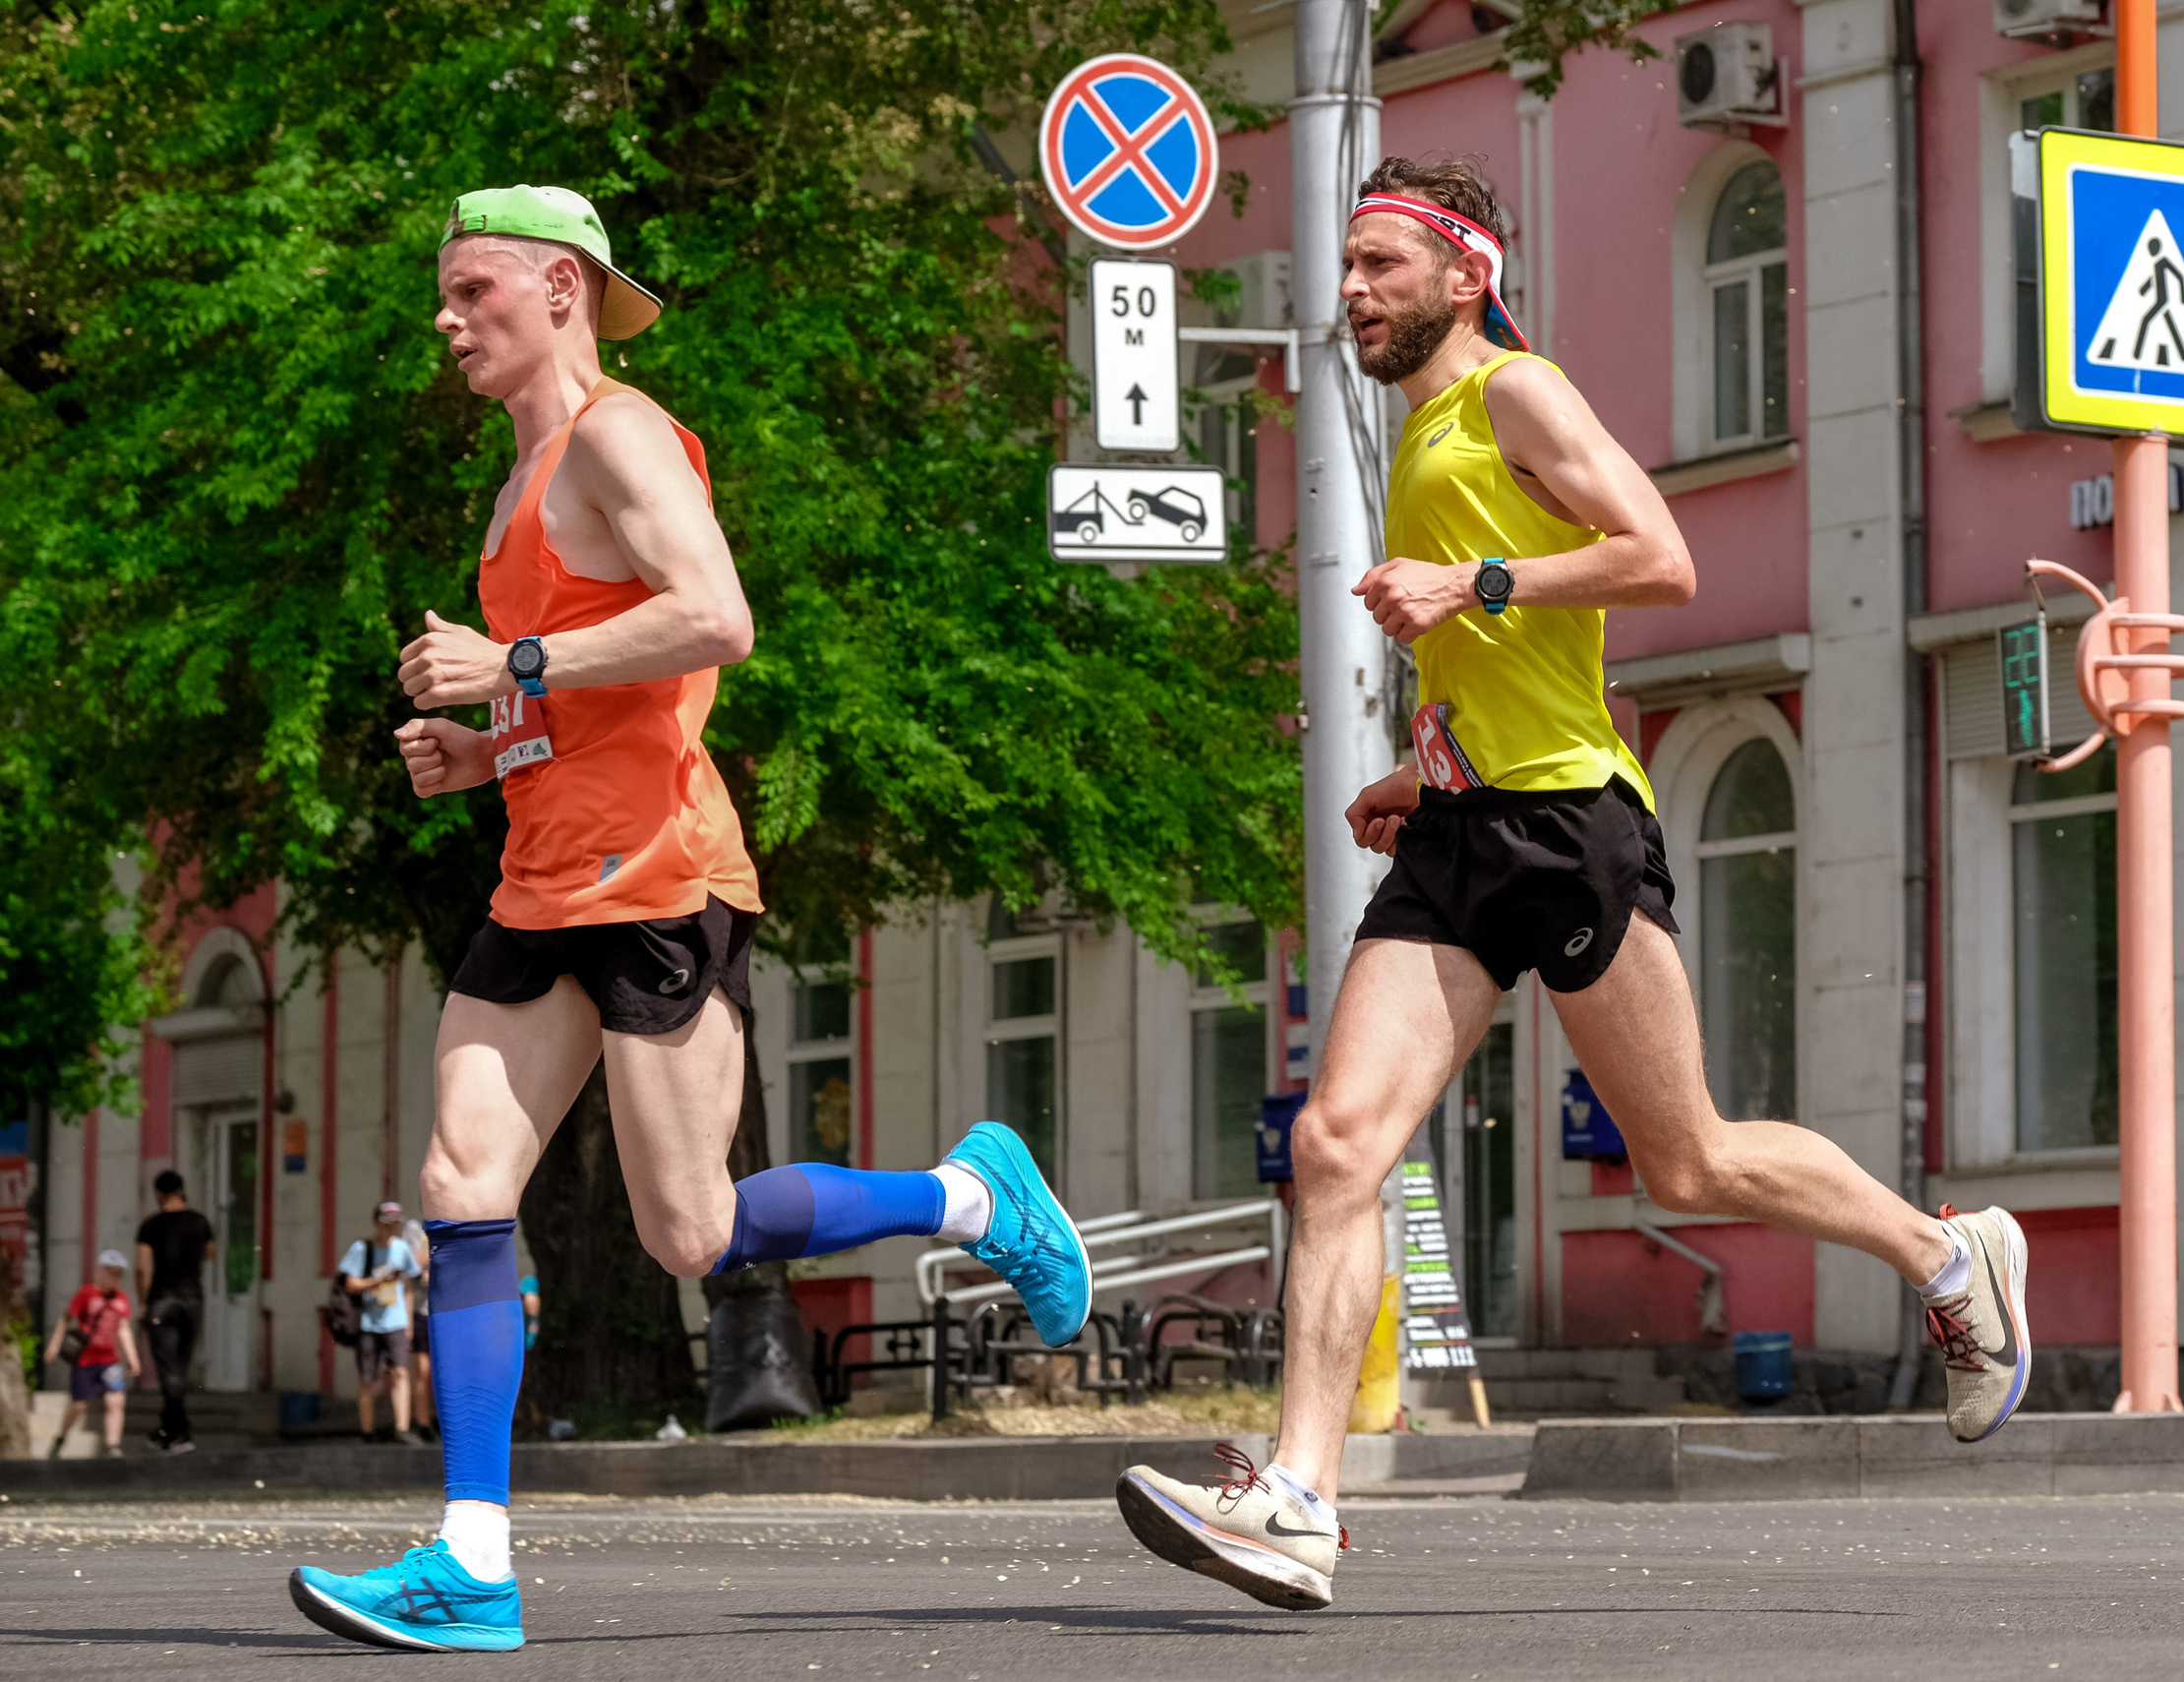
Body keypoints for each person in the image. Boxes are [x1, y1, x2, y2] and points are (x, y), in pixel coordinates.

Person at [1116, 157, 2032, 1611]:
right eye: (1346, 266)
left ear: (1464, 275)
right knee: (1338, 1144)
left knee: (1689, 1161)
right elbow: (1504, 670)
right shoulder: (1422, 426)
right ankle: (1297, 1496)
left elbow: (1662, 559)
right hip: (1457, 830)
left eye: (1378, 265)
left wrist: (1471, 580)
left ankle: (1945, 1253)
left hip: (1570, 828)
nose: (1350, 291)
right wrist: (1423, 768)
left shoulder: (1517, 395)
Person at [286, 184, 1090, 1654]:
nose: (447, 320)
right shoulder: (519, 478)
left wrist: (509, 664)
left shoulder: (621, 435)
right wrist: (488, 746)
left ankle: (973, 1200)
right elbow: (604, 692)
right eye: (444, 296)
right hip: (541, 877)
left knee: (689, 1230)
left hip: (658, 875)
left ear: (560, 289)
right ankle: (471, 1560)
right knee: (464, 1181)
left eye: (472, 290)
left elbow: (716, 617)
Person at [134, 1169, 217, 1454]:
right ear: (182, 1191)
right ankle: (168, 1429)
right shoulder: (200, 1222)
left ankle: (179, 1431)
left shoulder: (151, 1226)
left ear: (158, 1194)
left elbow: (141, 1268)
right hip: (192, 1300)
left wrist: (144, 1302)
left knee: (169, 1370)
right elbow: (210, 1253)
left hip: (162, 1300)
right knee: (179, 1367)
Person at [43, 1251, 143, 1460]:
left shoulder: (121, 1298)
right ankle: (61, 1438)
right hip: (85, 1360)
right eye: (112, 1272)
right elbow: (65, 1319)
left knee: (116, 1401)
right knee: (78, 1406)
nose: (116, 1278)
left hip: (110, 1361)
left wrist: (133, 1358)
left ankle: (112, 1446)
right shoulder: (86, 1293)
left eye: (119, 1274)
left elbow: (124, 1329)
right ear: (100, 1271)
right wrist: (54, 1345)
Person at [342, 1201, 425, 1446]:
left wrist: (408, 1322)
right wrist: (377, 1281)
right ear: (376, 1223)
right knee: (368, 1379)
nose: (392, 1228)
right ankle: (367, 1432)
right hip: (368, 1323)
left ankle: (402, 1428)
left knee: (401, 1372)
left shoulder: (401, 1248)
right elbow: (350, 1284)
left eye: (395, 1224)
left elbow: (407, 1287)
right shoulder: (361, 1248)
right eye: (387, 1223)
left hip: (396, 1322)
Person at [400, 1213, 436, 1440]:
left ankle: (441, 1422)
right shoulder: (415, 1228)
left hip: (447, 1310)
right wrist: (431, 1241)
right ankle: (423, 1424)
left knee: (442, 1372)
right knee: (422, 1370)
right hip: (422, 1311)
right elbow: (412, 1267)